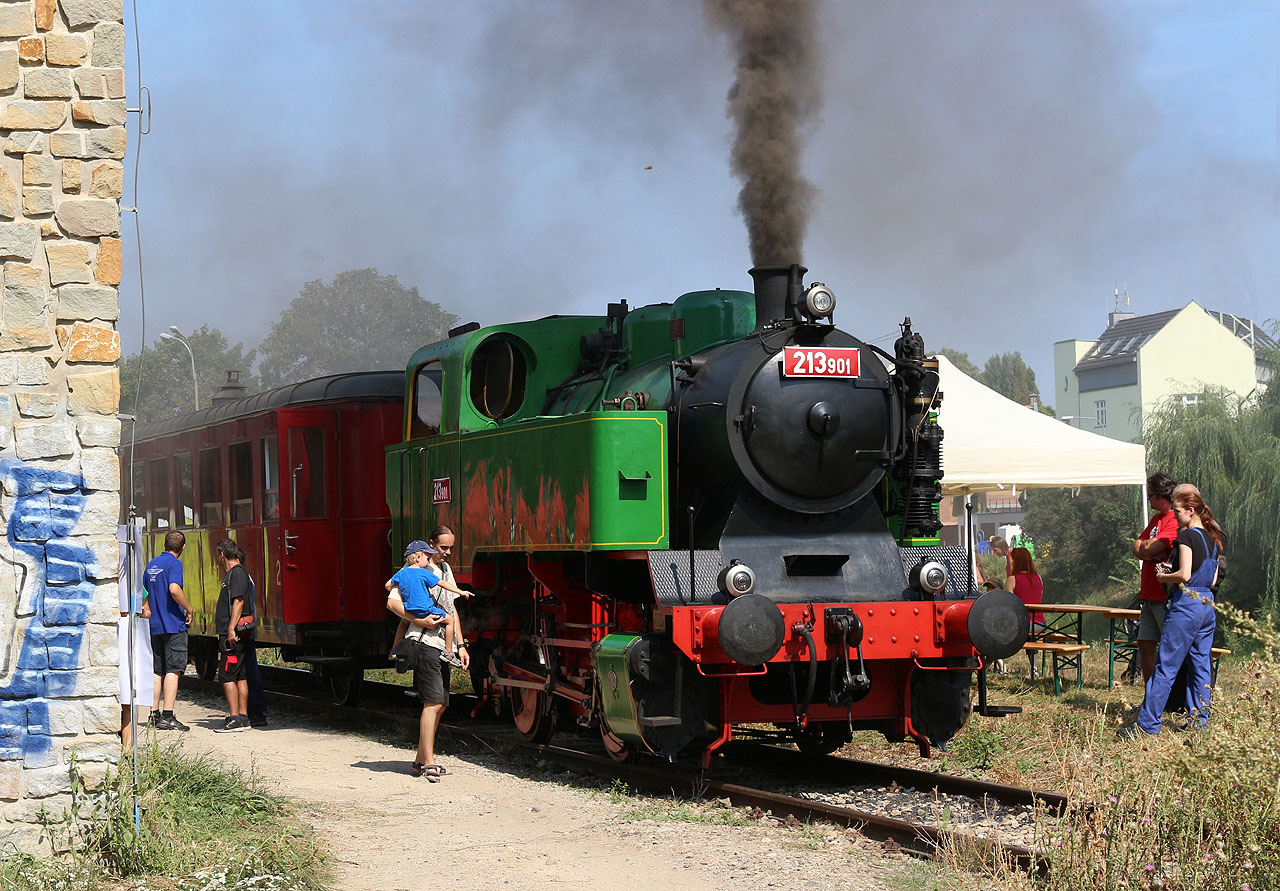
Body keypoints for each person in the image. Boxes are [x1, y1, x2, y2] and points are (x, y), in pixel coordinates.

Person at [1120, 489, 1223, 738]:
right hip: (1206, 605)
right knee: (1200, 665)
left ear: (1190, 510)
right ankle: (1199, 723)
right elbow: (1213, 579)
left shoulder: (1186, 536)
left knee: (1166, 665)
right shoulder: (1212, 538)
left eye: (1177, 512)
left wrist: (1164, 575)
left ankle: (1147, 725)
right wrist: (1174, 567)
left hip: (1186, 604)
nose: (1175, 517)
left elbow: (1185, 575)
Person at [386, 526, 470, 780]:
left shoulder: (445, 571)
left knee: (441, 704)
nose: (447, 553)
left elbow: (451, 608)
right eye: (443, 548)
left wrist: (461, 644)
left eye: (450, 548)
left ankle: (420, 760)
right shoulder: (414, 571)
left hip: (441, 645)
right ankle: (429, 763)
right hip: (423, 643)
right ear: (430, 546)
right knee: (432, 703)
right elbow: (392, 602)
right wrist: (419, 621)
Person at [386, 539, 469, 668]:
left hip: (409, 608)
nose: (429, 561)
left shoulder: (401, 573)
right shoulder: (424, 573)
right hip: (426, 610)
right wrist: (461, 591)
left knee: (404, 622)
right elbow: (443, 583)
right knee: (450, 620)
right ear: (418, 557)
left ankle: (394, 650)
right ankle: (448, 652)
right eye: (428, 557)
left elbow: (387, 585)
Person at [144, 531, 195, 731]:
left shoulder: (151, 565)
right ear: (182, 548)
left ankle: (153, 714)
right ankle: (168, 715)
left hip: (154, 625)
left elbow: (145, 595)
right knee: (174, 669)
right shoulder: (175, 564)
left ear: (165, 544)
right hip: (173, 625)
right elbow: (174, 589)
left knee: (157, 670)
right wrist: (188, 608)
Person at [1131, 472, 1179, 683]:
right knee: (1145, 644)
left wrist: (1147, 550)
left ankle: (1172, 694)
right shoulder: (1156, 519)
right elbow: (1138, 546)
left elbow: (1151, 546)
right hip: (1149, 594)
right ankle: (1150, 694)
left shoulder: (1173, 520)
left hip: (1163, 596)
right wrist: (1147, 551)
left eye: (1150, 495)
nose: (1149, 499)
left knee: (1169, 645)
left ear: (1161, 495)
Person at [214, 538, 256, 733]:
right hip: (237, 634)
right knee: (240, 676)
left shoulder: (236, 574)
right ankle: (243, 716)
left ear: (222, 554)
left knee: (227, 675)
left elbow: (238, 602)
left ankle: (234, 717)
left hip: (232, 635)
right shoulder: (237, 574)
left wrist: (230, 628)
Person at [118, 553, 153, 751]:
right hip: (120, 641)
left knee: (133, 695)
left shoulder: (139, 588)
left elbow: (148, 612)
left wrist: (141, 612)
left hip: (133, 641)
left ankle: (129, 746)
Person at [1004, 547, 1045, 678]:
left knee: (997, 633)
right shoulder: (1038, 578)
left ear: (1016, 561)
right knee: (1031, 635)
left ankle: (988, 664)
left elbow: (1008, 604)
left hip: (1022, 624)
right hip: (1041, 625)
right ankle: (1034, 669)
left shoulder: (1012, 579)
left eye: (1012, 559)